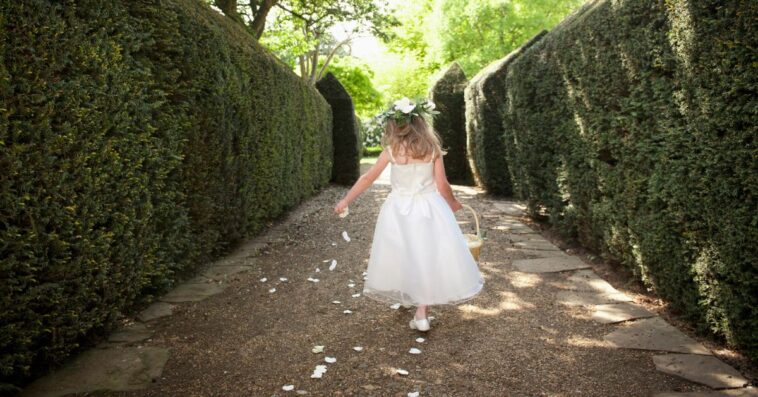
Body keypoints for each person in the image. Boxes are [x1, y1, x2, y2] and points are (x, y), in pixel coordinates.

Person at [333, 97, 484, 332]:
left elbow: (368, 178)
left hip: (398, 209)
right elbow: (442, 186)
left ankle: (413, 299)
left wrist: (346, 200)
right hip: (429, 208)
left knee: (404, 252)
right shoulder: (432, 150)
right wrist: (453, 204)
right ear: (420, 122)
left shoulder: (391, 150)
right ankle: (421, 312)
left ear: (394, 125)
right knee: (427, 255)